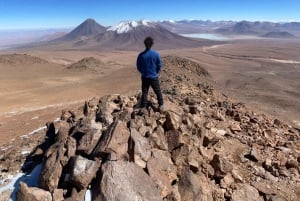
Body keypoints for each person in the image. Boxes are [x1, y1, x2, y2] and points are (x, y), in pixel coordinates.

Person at [136, 36, 164, 111]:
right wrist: (156, 72)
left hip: (145, 77)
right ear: (152, 44)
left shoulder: (141, 55)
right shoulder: (156, 54)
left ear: (145, 44)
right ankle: (161, 105)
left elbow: (138, 66)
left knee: (145, 92)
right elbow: (159, 65)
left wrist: (143, 72)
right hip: (154, 77)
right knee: (158, 91)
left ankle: (143, 107)